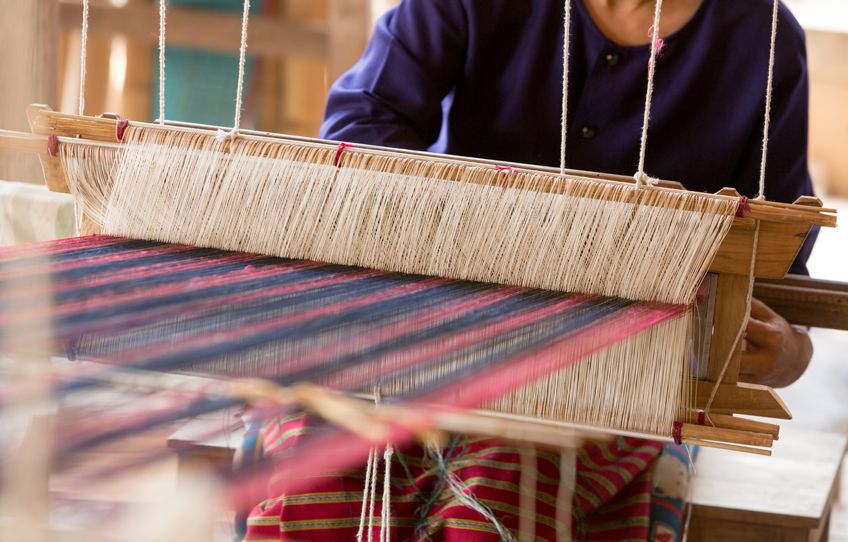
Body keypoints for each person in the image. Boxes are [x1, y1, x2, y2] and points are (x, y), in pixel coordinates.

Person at [244, 1, 816, 540]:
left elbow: (780, 264)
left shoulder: (764, 39)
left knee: (500, 490)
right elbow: (360, 129)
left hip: (610, 368)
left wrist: (789, 351)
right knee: (321, 476)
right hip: (420, 323)